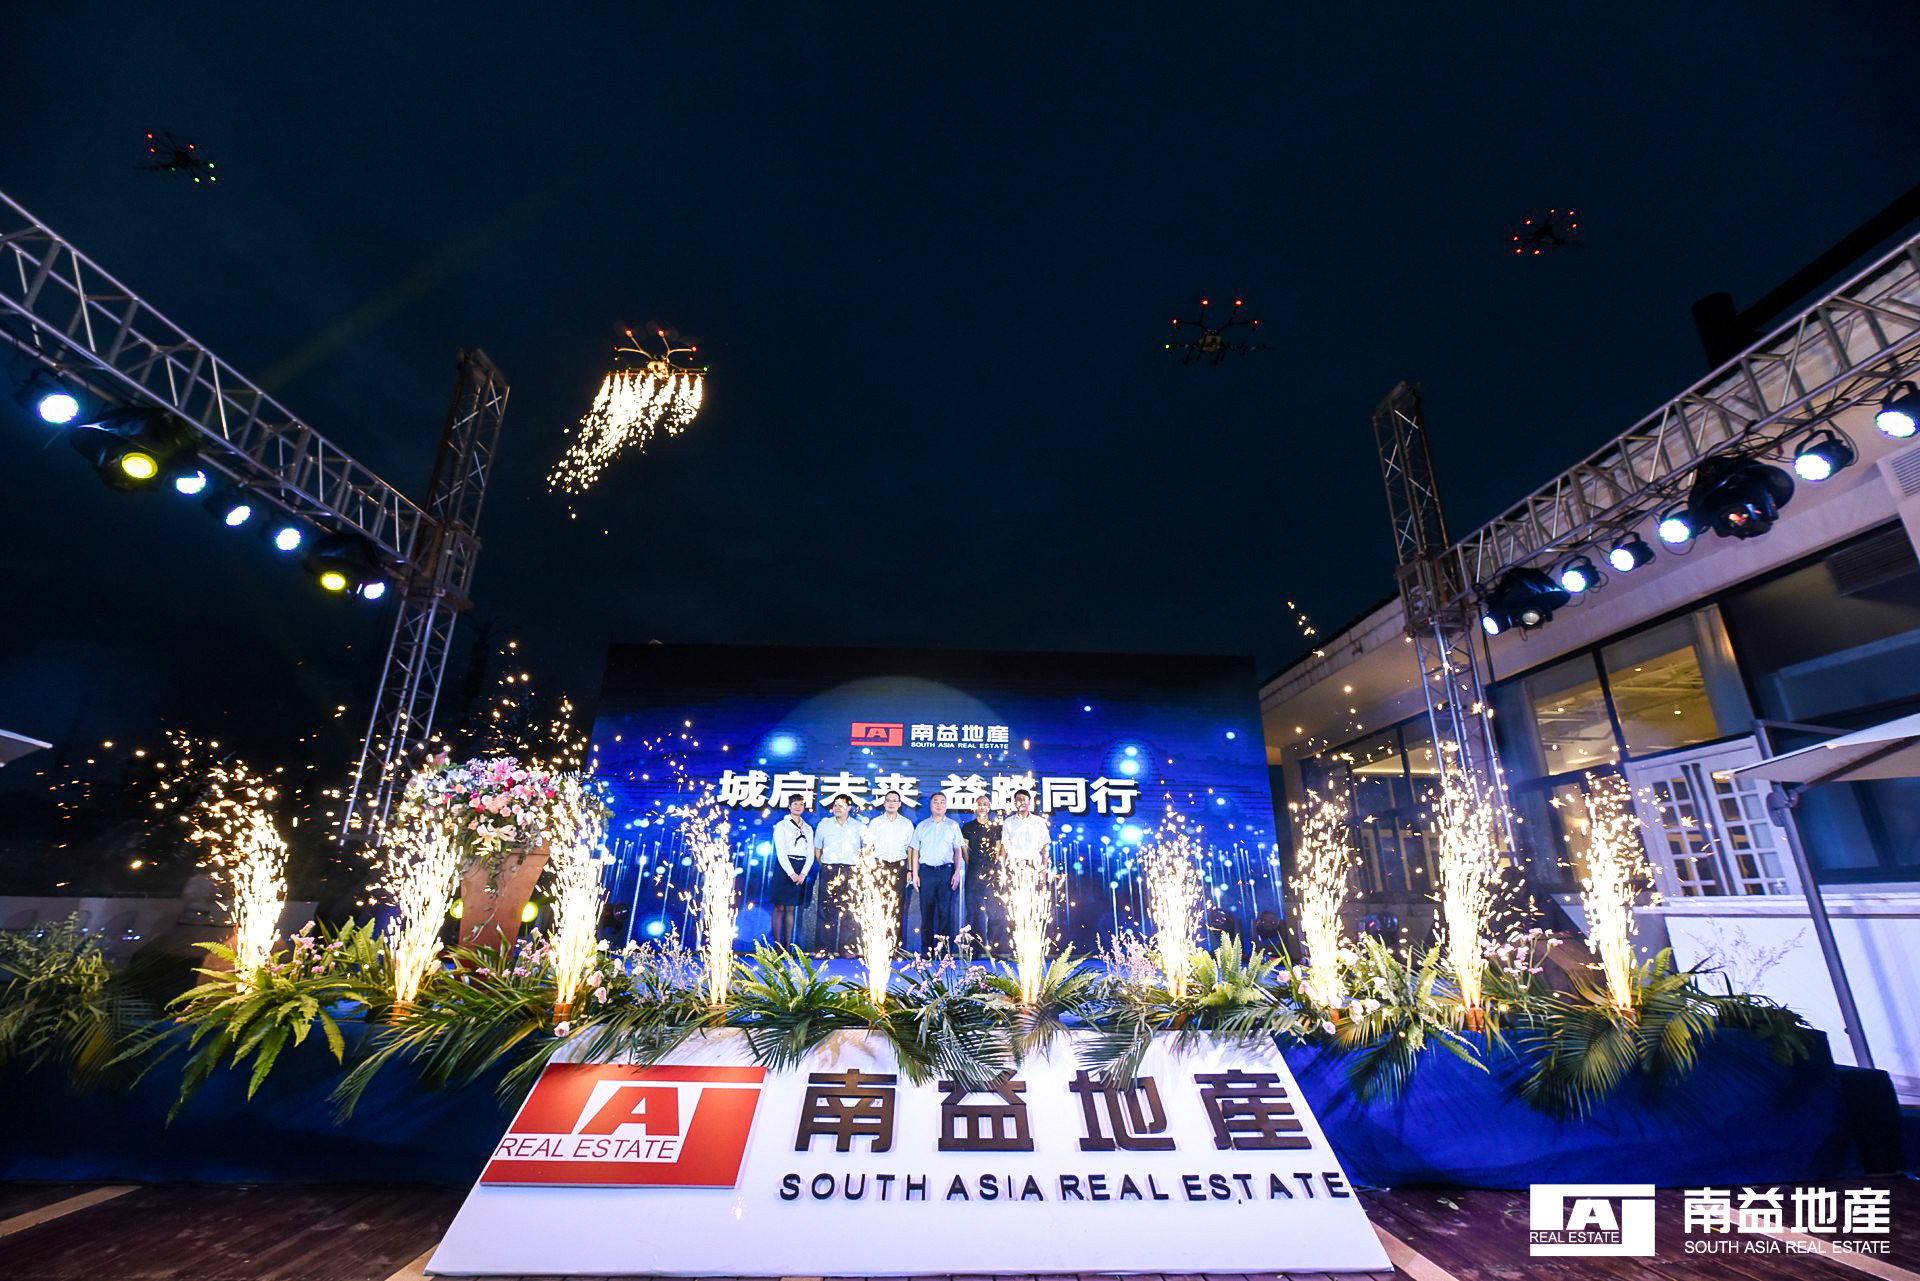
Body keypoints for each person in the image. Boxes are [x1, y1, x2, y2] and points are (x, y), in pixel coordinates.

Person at [910, 791, 966, 952]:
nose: (939, 805)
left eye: (942, 802)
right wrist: (915, 874)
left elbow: (958, 850)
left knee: (945, 913)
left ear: (946, 806)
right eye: (935, 801)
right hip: (926, 873)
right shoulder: (922, 826)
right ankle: (926, 951)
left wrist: (957, 872)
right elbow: (915, 851)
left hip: (946, 873)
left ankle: (943, 952)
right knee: (926, 913)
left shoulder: (953, 826)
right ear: (930, 805)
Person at [813, 794, 864, 956]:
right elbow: (817, 849)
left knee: (850, 910)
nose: (837, 808)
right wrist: (826, 866)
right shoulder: (824, 825)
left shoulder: (858, 826)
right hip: (829, 869)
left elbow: (866, 848)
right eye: (835, 805)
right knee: (826, 910)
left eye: (841, 805)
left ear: (849, 808)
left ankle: (847, 948)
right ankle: (824, 949)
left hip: (851, 870)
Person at [865, 789, 918, 947]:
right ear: (884, 803)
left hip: (899, 867)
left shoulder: (906, 824)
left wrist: (909, 870)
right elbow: (868, 848)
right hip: (878, 866)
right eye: (888, 800)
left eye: (895, 801)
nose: (891, 803)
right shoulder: (875, 823)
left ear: (899, 804)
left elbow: (910, 849)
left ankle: (895, 946)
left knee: (897, 907)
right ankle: (878, 945)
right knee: (878, 906)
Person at [999, 787, 1052, 938]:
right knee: (1014, 904)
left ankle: (1034, 940)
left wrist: (1043, 870)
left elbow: (1045, 847)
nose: (1021, 802)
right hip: (1014, 866)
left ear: (1030, 802)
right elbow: (1004, 847)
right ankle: (1016, 940)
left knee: (1034, 904)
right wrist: (1003, 870)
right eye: (1018, 800)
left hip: (1034, 866)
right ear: (1014, 803)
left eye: (1024, 800)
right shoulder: (1008, 822)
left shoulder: (1039, 822)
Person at [768, 795, 815, 948]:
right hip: (784, 867)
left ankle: (787, 947)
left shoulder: (808, 828)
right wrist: (791, 873)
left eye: (801, 804)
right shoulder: (781, 825)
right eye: (795, 804)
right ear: (789, 806)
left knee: (791, 907)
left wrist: (803, 873)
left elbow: (810, 853)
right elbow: (780, 851)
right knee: (779, 907)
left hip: (800, 867)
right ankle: (777, 947)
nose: (798, 807)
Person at [959, 795, 1003, 956]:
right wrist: (974, 864)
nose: (982, 807)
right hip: (973, 874)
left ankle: (994, 949)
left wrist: (991, 867)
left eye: (985, 804)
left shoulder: (996, 827)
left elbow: (998, 849)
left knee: (995, 911)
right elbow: (965, 850)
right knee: (974, 912)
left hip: (992, 874)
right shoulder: (968, 827)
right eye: (979, 804)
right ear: (975, 807)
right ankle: (975, 949)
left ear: (989, 807)